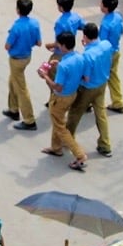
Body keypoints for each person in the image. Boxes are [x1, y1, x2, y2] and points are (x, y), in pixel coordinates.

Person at [67, 22, 113, 157]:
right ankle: (105, 143)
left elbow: (85, 77)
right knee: (101, 114)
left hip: (88, 87)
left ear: (85, 36)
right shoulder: (106, 45)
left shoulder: (88, 55)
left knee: (75, 113)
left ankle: (68, 139)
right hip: (102, 83)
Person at [44, 31, 88, 171]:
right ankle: (56, 147)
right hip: (72, 94)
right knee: (57, 121)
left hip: (60, 97)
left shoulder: (64, 66)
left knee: (60, 127)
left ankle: (79, 155)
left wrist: (45, 76)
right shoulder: (79, 58)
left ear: (63, 46)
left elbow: (57, 86)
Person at [4, 0, 41, 130]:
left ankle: (29, 120)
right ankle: (13, 109)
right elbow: (38, 42)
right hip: (27, 56)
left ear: (18, 10)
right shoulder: (35, 23)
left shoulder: (16, 27)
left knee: (21, 88)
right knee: (12, 81)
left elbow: (7, 46)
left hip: (16, 59)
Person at [100, 0, 123, 114]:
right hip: (115, 50)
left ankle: (91, 102)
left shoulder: (105, 23)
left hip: (107, 55)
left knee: (99, 78)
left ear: (105, 7)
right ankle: (117, 101)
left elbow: (102, 43)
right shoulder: (118, 17)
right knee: (113, 77)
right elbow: (122, 30)